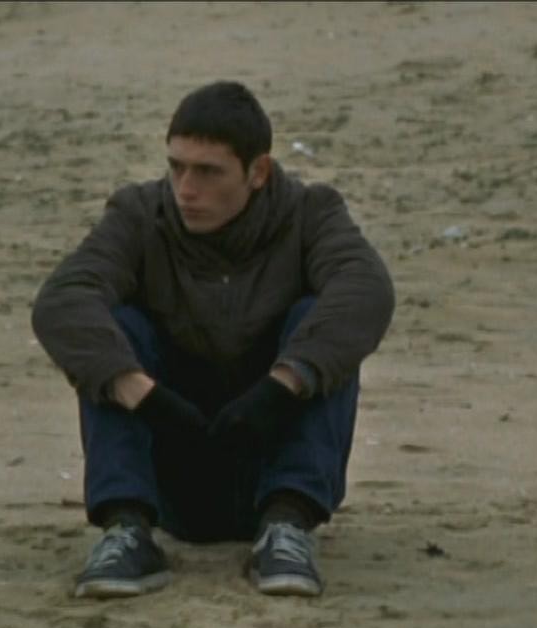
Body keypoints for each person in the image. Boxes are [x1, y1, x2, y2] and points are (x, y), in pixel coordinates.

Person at [30, 80, 395, 599]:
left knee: (323, 322)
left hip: (271, 455)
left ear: (257, 172)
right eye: (177, 167)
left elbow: (367, 290)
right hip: (170, 463)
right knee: (113, 328)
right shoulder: (140, 215)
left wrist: (281, 387)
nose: (186, 189)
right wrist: (144, 396)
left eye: (207, 172)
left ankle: (286, 530)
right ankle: (126, 531)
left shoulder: (310, 214)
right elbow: (62, 299)